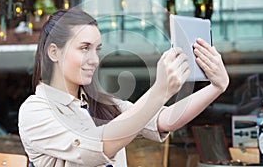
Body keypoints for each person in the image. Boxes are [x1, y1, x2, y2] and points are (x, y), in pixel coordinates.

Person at [18, 8, 229, 167]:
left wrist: (216, 87)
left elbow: (163, 120)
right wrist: (160, 90)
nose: (94, 60)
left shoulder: (101, 103)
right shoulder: (36, 110)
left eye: (97, 50)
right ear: (54, 52)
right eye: (84, 48)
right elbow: (99, 146)